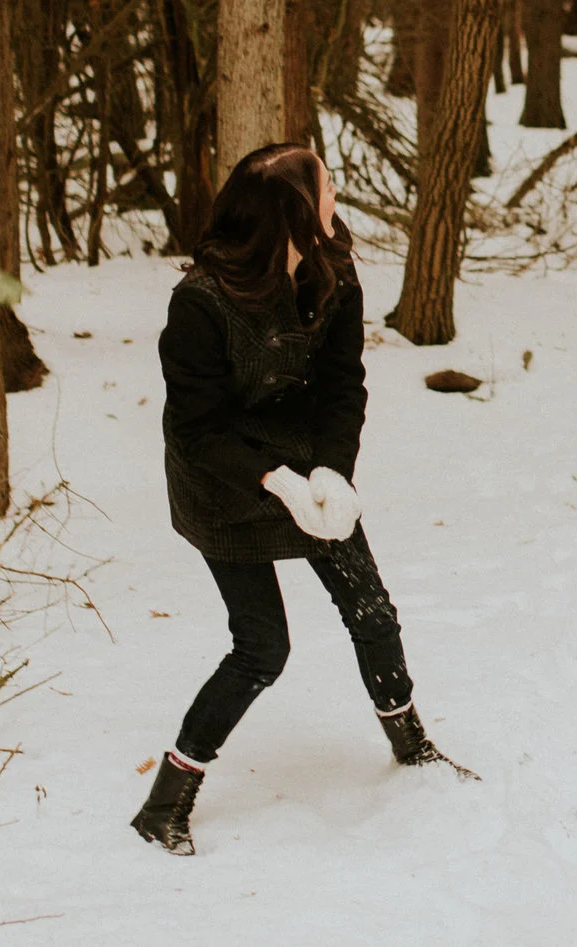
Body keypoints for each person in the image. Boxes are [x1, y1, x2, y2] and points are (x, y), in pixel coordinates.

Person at [132, 143, 471, 857]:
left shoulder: (334, 269)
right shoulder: (200, 301)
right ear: (288, 209)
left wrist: (332, 472)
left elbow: (343, 382)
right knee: (262, 647)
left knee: (371, 609)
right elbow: (196, 429)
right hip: (224, 482)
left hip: (307, 469)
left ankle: (412, 746)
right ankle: (166, 800)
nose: (336, 190)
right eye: (324, 183)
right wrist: (273, 480)